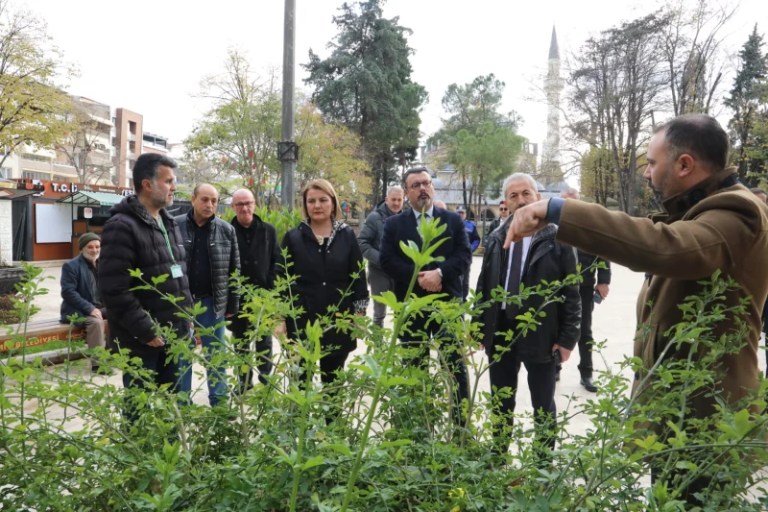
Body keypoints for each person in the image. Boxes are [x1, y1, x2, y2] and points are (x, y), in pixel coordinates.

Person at [506, 114, 768, 504]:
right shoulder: (701, 210)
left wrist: (558, 210)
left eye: (651, 162)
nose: (646, 173)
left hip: (706, 422)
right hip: (678, 414)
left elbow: (664, 246)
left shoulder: (737, 213)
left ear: (684, 164)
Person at [476, 172, 580, 459]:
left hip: (542, 335)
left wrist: (568, 338)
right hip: (501, 332)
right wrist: (479, 326)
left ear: (537, 197)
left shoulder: (557, 237)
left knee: (543, 403)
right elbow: (484, 285)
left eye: (526, 193)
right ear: (505, 203)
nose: (520, 200)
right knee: (500, 401)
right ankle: (498, 455)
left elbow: (572, 292)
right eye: (513, 195)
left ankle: (542, 464)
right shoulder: (497, 237)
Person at [99, 153, 193, 413]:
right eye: (168, 181)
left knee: (173, 410)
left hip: (176, 336)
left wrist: (189, 319)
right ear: (147, 184)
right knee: (140, 412)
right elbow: (114, 290)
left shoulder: (169, 222)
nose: (174, 187)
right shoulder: (121, 226)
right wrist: (147, 330)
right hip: (143, 342)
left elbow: (180, 277)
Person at [379, 166, 472, 422]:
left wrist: (440, 274)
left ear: (433, 187)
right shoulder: (393, 225)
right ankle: (418, 428)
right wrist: (420, 277)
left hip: (447, 305)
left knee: (454, 366)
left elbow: (464, 255)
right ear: (407, 192)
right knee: (413, 367)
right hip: (411, 307)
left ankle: (461, 428)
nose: (422, 188)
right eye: (416, 185)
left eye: (426, 183)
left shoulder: (452, 220)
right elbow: (387, 260)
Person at [280, 179, 369, 387]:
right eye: (311, 201)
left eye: (323, 200)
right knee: (300, 384)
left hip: (338, 320)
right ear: (305, 205)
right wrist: (279, 316)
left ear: (333, 203)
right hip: (301, 321)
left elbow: (358, 276)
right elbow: (281, 279)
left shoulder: (346, 236)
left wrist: (359, 313)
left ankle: (333, 421)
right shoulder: (293, 238)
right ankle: (300, 422)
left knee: (333, 385)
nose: (317, 205)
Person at [176, 184, 240, 406]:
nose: (209, 205)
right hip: (181, 304)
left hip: (213, 303)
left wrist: (232, 303)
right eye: (204, 199)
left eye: (214, 200)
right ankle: (183, 404)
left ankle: (219, 402)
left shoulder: (226, 230)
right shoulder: (175, 226)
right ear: (193, 199)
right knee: (182, 355)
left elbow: (234, 269)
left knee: (216, 356)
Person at [559, 188, 611, 392]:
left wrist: (603, 281)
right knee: (554, 327)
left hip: (584, 287)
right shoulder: (552, 227)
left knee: (584, 330)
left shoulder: (591, 227)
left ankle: (586, 373)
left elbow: (603, 254)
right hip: (557, 287)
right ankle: (554, 367)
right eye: (565, 202)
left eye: (572, 202)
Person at [229, 188, 279, 391]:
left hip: (263, 295)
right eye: (239, 204)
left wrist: (271, 288)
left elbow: (276, 261)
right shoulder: (226, 230)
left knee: (264, 342)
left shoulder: (269, 230)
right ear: (233, 207)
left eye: (248, 203)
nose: (244, 207)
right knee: (240, 342)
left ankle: (266, 381)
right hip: (237, 297)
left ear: (254, 204)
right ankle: (244, 382)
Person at [60, 232, 109, 373]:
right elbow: (68, 292)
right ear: (82, 249)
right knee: (96, 322)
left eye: (97, 246)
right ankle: (99, 365)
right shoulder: (71, 266)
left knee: (121, 314)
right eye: (90, 247)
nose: (94, 250)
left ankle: (114, 356)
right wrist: (89, 308)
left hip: (99, 308)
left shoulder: (104, 264)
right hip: (78, 310)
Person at [357, 185, 404, 326]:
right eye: (393, 199)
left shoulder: (407, 219)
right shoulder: (374, 218)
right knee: (379, 314)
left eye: (399, 200)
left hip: (400, 273)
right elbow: (362, 243)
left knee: (400, 312)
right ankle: (378, 346)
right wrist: (382, 260)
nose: (396, 203)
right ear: (386, 199)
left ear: (403, 200)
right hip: (379, 272)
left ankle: (400, 346)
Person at [456, 206, 481, 301]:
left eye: (462, 213)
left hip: (466, 258)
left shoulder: (471, 226)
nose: (460, 214)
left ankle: (463, 299)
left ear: (465, 214)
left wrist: (470, 249)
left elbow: (476, 239)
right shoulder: (451, 224)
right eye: (458, 212)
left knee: (465, 281)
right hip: (454, 257)